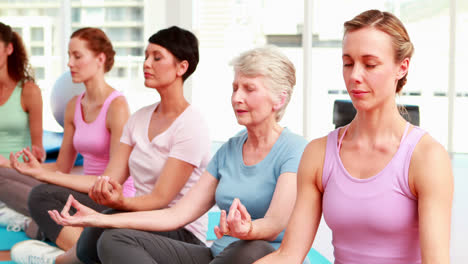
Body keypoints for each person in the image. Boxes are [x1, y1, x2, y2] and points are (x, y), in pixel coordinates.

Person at [46, 45, 307, 264]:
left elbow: (274, 223)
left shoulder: (294, 149)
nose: (236, 97)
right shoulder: (228, 150)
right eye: (235, 87)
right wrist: (97, 218)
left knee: (253, 248)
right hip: (213, 256)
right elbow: (176, 214)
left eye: (249, 89)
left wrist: (248, 229)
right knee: (114, 237)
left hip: (255, 257)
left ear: (279, 99)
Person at [255, 9, 454, 264]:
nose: (354, 76)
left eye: (370, 64)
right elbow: (289, 254)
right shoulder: (318, 154)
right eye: (348, 63)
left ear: (401, 68)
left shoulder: (426, 158)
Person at [11, 25, 211, 264]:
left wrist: (118, 205)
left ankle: (61, 261)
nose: (147, 63)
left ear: (182, 67)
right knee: (99, 229)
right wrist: (40, 172)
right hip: (141, 216)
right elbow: (110, 179)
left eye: (157, 57)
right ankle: (63, 261)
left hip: (181, 231)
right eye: (146, 56)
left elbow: (161, 199)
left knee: (109, 230)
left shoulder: (191, 124)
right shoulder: (139, 119)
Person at [0, 21, 44, 231]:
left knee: (43, 195)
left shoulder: (28, 91)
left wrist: (35, 155)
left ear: (9, 49)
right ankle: (23, 220)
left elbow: (38, 148)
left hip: (17, 171)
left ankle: (28, 217)